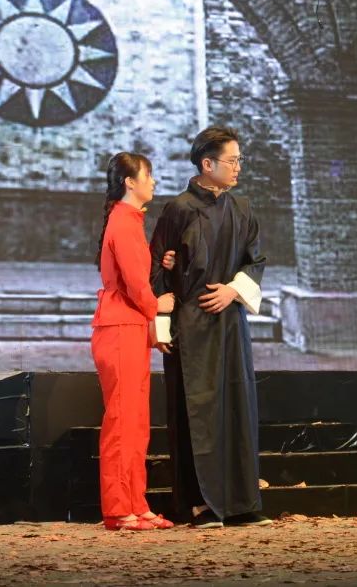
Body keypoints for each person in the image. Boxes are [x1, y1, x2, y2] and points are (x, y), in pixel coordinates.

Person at [150, 126, 270, 528]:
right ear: (207, 164)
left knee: (237, 408)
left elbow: (255, 261)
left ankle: (241, 502)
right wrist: (162, 327)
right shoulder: (179, 209)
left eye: (239, 160)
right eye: (232, 160)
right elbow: (157, 269)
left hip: (230, 323)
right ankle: (200, 504)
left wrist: (233, 291)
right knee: (196, 412)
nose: (238, 167)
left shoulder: (243, 208)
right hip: (191, 325)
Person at [92, 152, 177, 531]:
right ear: (130, 181)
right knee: (123, 421)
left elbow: (136, 276)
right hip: (119, 329)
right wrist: (157, 306)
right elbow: (134, 283)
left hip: (128, 327)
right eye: (148, 175)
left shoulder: (128, 220)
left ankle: (135, 504)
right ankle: (119, 508)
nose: (153, 181)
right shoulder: (124, 222)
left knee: (136, 422)